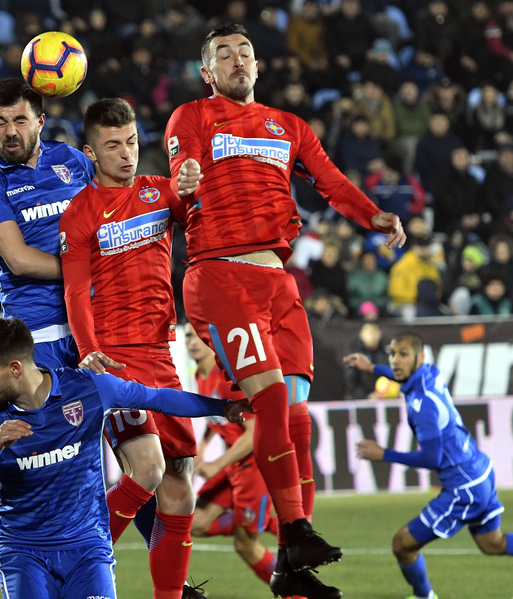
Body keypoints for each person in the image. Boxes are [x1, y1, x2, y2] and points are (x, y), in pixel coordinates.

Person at [165, 22, 407, 599]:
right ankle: (295, 530)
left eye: (244, 51)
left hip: (279, 281)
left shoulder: (289, 126)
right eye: (223, 54)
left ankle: (289, 567)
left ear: (258, 65)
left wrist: (372, 215)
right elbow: (180, 185)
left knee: (296, 412)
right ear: (207, 71)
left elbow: (331, 183)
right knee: (272, 398)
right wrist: (187, 181)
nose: (237, 59)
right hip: (222, 273)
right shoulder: (193, 117)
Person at [0, 317, 250, 599]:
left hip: (88, 551)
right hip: (24, 554)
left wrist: (222, 407)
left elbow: (158, 398)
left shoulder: (86, 388)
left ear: (15, 368)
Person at [58, 97, 198, 599]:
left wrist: (190, 187)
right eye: (113, 146)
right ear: (90, 153)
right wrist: (89, 348)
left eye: (133, 143)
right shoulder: (79, 214)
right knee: (149, 469)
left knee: (179, 486)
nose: (126, 155)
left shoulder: (159, 193)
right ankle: (78, 568)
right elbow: (75, 291)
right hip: (116, 357)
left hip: (163, 351)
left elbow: (192, 208)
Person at [344, 332, 513, 599]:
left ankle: (425, 597)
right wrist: (370, 367)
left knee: (402, 545)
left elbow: (431, 459)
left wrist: (384, 454)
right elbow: (401, 373)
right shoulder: (429, 373)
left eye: (404, 354)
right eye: (393, 354)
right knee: (493, 544)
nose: (396, 361)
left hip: (463, 487)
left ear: (419, 358)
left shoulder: (423, 407)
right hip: (480, 471)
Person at [0, 77, 94, 371]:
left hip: (94, 316)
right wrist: (93, 268)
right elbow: (18, 260)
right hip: (37, 331)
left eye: (20, 120)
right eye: (0, 121)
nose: (10, 132)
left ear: (40, 121)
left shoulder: (70, 159)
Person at [187, 323, 279, 590]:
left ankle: (297, 595)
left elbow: (254, 431)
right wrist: (204, 446)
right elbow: (218, 416)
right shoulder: (200, 376)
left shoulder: (227, 378)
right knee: (197, 523)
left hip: (254, 466)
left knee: (246, 546)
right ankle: (263, 520)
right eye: (188, 336)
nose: (193, 341)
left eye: (198, 337)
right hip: (234, 466)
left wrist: (217, 463)